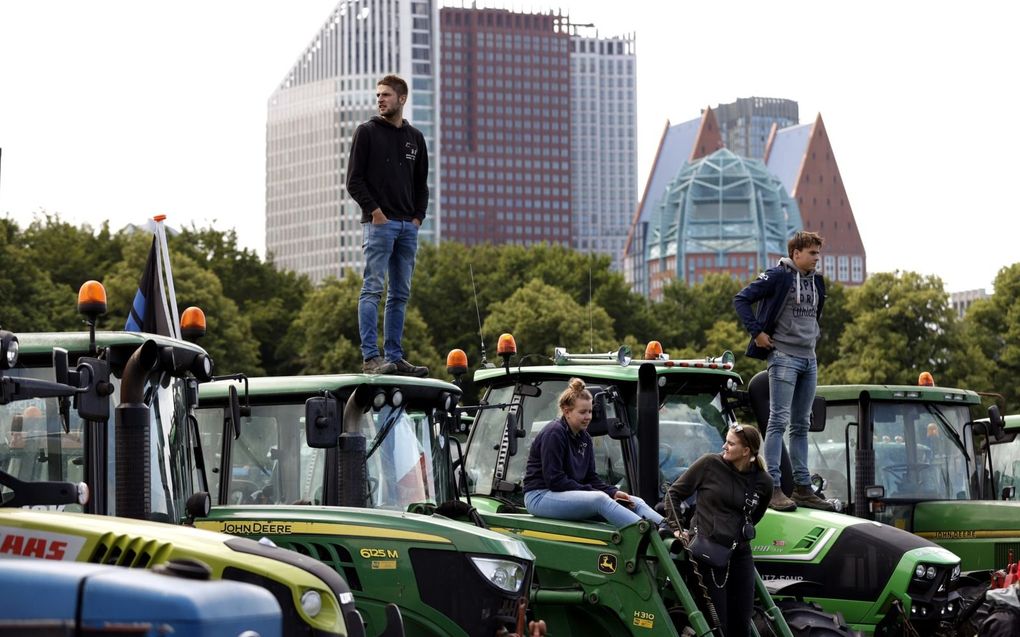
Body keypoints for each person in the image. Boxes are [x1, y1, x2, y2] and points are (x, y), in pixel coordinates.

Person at [733, 231, 833, 511]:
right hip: (784, 357)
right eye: (812, 253)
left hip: (808, 359)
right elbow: (741, 300)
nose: (816, 258)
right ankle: (773, 487)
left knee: (801, 424)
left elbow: (815, 315)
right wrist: (758, 333)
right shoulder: (778, 276)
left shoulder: (818, 283)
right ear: (796, 253)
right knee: (778, 421)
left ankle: (802, 487)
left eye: (818, 253)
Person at [346, 74, 429, 377]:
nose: (380, 99)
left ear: (402, 99)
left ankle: (394, 356)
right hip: (380, 225)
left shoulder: (415, 138)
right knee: (372, 289)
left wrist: (417, 218)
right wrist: (376, 212)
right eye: (378, 95)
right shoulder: (366, 133)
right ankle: (371, 357)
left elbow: (422, 184)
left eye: (386, 95)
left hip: (408, 227)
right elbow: (353, 181)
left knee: (400, 294)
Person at [663, 424, 772, 637]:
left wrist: (735, 534)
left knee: (741, 624)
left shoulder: (763, 481)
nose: (724, 446)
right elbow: (672, 494)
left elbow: (754, 517)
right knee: (718, 626)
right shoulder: (709, 464)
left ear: (746, 450)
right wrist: (676, 529)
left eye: (730, 443)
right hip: (706, 553)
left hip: (740, 555)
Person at [523, 378, 664, 528]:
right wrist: (600, 493)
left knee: (635, 501)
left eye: (590, 411)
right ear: (566, 411)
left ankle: (670, 530)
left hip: (563, 493)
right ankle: (646, 533)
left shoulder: (585, 438)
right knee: (600, 500)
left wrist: (613, 492)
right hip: (539, 496)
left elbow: (590, 477)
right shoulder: (554, 433)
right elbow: (555, 481)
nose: (588, 417)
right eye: (583, 412)